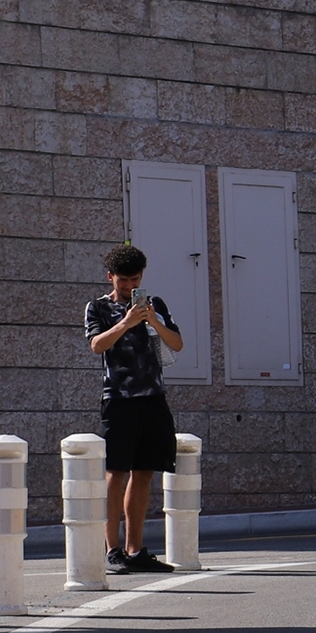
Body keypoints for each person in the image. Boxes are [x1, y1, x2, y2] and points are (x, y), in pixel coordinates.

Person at [84, 243, 185, 574]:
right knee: (116, 473)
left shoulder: (154, 304)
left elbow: (177, 344)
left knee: (144, 472)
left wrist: (153, 320)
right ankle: (112, 549)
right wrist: (126, 322)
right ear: (110, 277)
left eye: (135, 279)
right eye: (122, 281)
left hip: (153, 397)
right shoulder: (97, 308)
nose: (128, 287)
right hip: (118, 399)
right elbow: (97, 345)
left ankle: (135, 548)